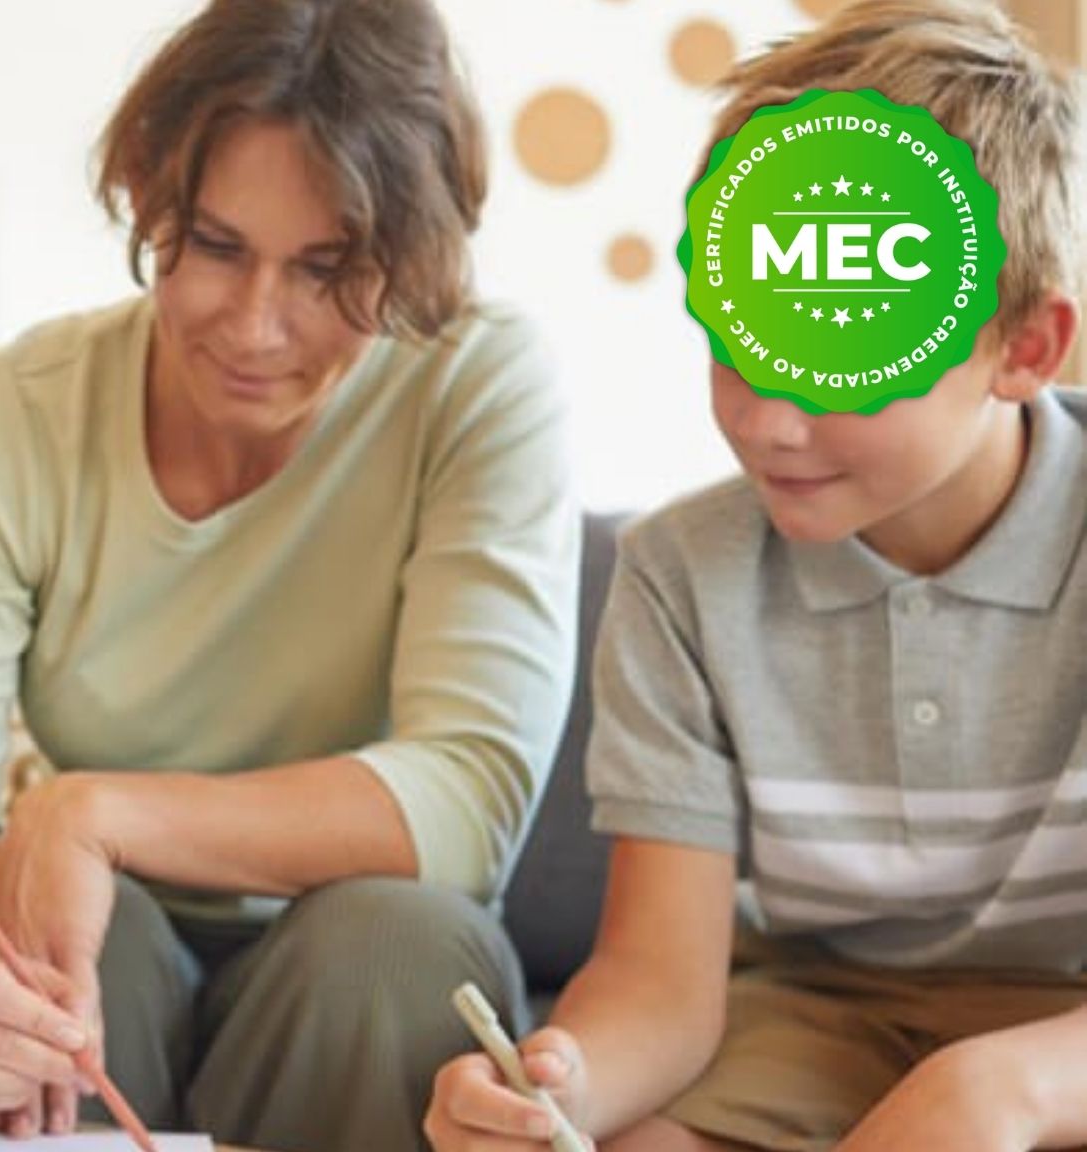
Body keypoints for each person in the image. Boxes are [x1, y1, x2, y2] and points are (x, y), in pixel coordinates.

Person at [0, 1, 580, 1148]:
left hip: (366, 953)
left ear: (410, 257)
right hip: (107, 939)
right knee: (57, 958)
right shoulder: (1, 418)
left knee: (388, 945)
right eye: (216, 245)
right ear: (144, 193)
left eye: (326, 271)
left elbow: (470, 795)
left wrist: (93, 812)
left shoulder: (476, 388)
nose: (254, 324)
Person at [424, 3, 1087, 1150]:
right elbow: (659, 986)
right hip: (811, 1021)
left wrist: (999, 1089)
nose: (768, 422)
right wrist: (552, 1092)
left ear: (1022, 348)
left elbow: (994, 1098)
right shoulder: (681, 575)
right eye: (737, 343)